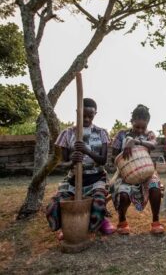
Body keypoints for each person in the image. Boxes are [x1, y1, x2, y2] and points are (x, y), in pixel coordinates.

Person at [46, 98, 115, 239]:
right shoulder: (67, 133)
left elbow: (103, 161)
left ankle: (97, 223)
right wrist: (72, 162)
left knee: (98, 203)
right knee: (53, 205)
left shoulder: (101, 133)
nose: (87, 118)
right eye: (84, 115)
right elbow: (62, 164)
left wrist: (87, 151)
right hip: (73, 180)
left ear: (95, 114)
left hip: (96, 178)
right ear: (78, 112)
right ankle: (68, 225)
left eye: (91, 115)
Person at [111, 104, 164, 235]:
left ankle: (156, 221)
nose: (140, 130)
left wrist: (136, 142)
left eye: (143, 127)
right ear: (131, 121)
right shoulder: (122, 134)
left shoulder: (149, 134)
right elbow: (114, 155)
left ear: (147, 124)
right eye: (136, 127)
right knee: (123, 194)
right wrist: (126, 154)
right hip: (126, 173)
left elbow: (153, 145)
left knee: (155, 187)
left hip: (147, 171)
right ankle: (122, 221)